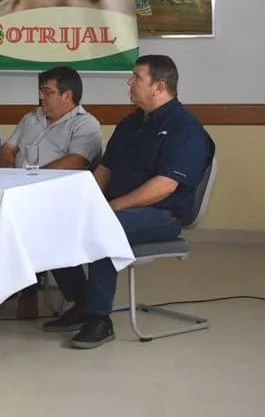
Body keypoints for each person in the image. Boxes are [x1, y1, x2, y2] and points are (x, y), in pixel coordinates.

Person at [41, 54, 211, 349]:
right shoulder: (130, 124)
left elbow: (165, 186)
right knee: (53, 221)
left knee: (103, 227)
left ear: (159, 87)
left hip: (163, 214)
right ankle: (81, 300)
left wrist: (112, 207)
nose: (129, 82)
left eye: (136, 77)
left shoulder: (185, 127)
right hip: (116, 207)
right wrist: (84, 203)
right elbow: (104, 171)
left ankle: (99, 319)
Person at [0, 66, 104, 318]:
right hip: (15, 188)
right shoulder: (31, 118)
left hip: (58, 196)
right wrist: (9, 165)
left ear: (68, 96)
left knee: (40, 226)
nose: (41, 97)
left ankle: (62, 295)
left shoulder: (85, 124)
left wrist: (33, 178)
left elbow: (77, 161)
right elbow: (8, 147)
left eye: (47, 92)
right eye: (41, 91)